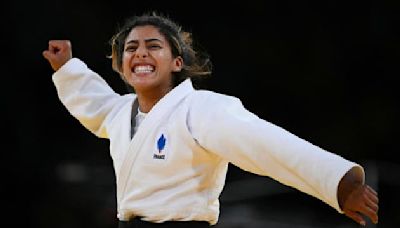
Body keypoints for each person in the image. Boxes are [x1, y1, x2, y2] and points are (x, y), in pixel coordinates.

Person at [42, 12, 378, 227]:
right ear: (121, 65)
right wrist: (69, 69)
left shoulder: (200, 110)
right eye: (131, 48)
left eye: (153, 46)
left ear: (176, 62)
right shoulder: (121, 115)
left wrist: (337, 182)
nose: (140, 53)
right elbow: (95, 104)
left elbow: (267, 144)